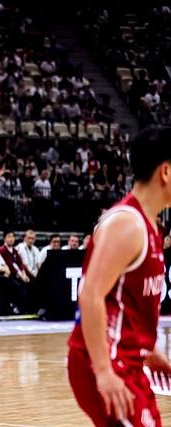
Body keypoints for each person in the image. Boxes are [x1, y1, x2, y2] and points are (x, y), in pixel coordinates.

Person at [68, 127, 171, 427]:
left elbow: (125, 304)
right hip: (104, 362)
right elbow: (90, 296)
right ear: (165, 172)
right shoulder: (127, 224)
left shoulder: (149, 225)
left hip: (130, 362)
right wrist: (103, 370)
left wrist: (149, 350)